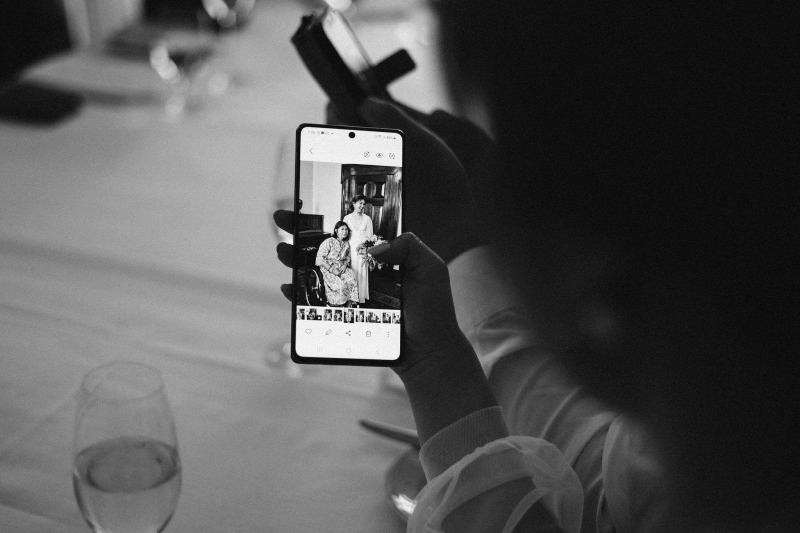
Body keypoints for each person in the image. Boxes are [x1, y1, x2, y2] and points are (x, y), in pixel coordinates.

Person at [276, 1, 796, 531]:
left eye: (519, 165)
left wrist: (464, 246)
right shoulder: (731, 424)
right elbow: (618, 488)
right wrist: (435, 364)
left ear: (587, 270)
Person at [315, 221, 359, 307]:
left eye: (346, 229)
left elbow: (347, 258)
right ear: (336, 230)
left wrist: (344, 265)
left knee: (352, 278)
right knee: (340, 284)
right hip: (328, 268)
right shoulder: (329, 241)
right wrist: (332, 270)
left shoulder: (346, 244)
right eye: (342, 229)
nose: (345, 231)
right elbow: (320, 258)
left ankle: (349, 304)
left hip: (341, 267)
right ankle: (336, 304)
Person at [342, 195, 375, 304]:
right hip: (350, 248)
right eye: (360, 203)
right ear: (354, 204)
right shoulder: (347, 218)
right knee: (350, 271)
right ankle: (350, 296)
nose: (362, 206)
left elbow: (370, 237)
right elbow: (343, 234)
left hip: (362, 250)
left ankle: (360, 296)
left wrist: (367, 250)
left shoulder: (367, 219)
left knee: (361, 272)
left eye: (364, 204)